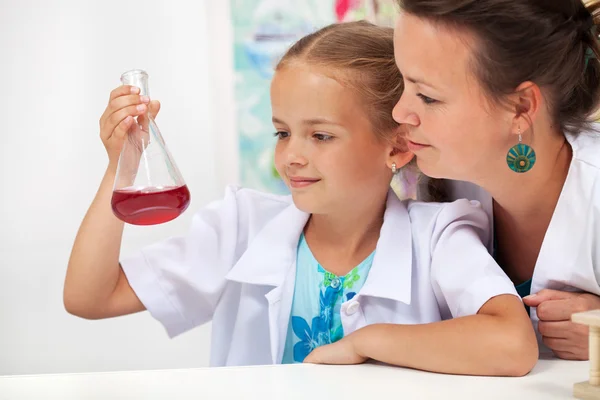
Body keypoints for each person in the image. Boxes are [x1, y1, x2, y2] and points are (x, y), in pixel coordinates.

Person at [64, 21, 537, 375]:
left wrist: (366, 342)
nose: (291, 155)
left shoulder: (439, 237)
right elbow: (89, 297)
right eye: (283, 132)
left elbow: (512, 343)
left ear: (395, 146)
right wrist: (120, 166)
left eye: (321, 136)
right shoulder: (241, 227)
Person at [391, 0, 600, 361]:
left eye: (427, 96)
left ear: (520, 107)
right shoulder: (446, 184)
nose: (399, 112)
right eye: (403, 82)